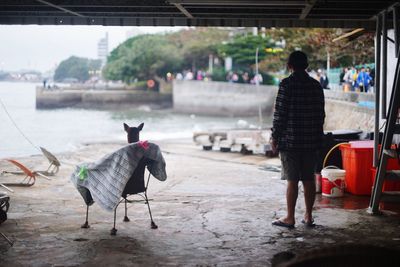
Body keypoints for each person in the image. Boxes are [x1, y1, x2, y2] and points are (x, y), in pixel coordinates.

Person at [270, 51, 325, 229]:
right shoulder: (316, 86)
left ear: (290, 66)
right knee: (308, 179)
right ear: (306, 65)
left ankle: (290, 218)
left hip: (290, 141)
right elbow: (320, 115)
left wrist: (275, 137)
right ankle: (308, 216)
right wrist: (317, 137)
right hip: (311, 140)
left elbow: (280, 114)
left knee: (292, 180)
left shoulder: (286, 84)